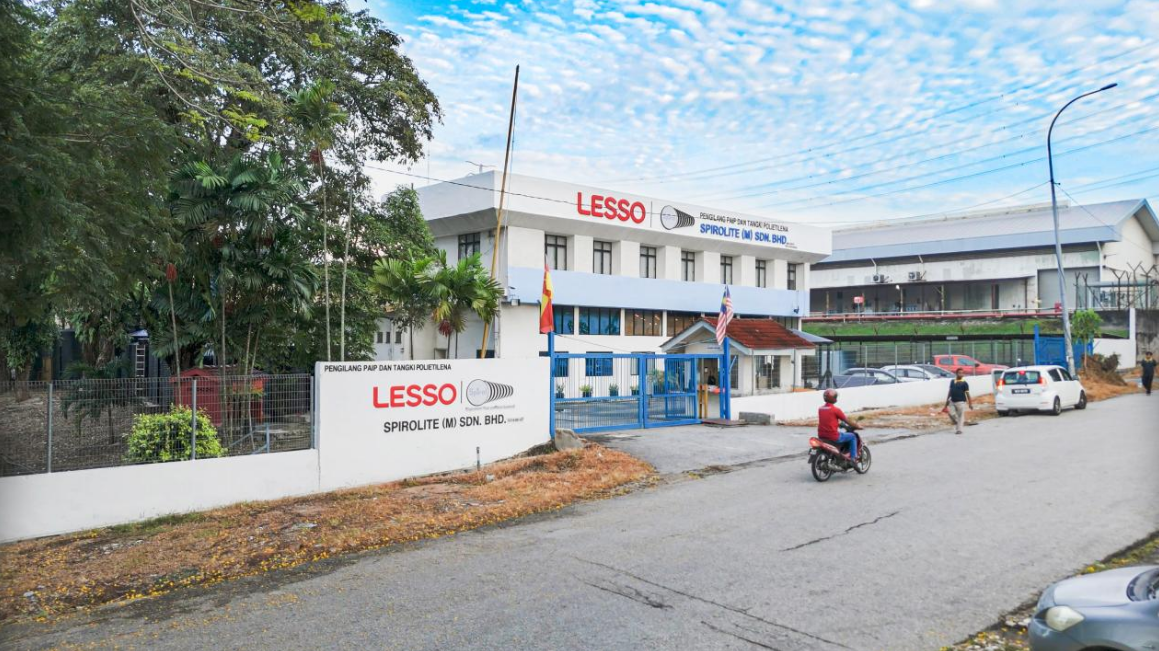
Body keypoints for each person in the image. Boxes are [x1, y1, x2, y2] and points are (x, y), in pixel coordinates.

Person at [818, 388, 859, 461]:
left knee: (841, 433)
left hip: (821, 436)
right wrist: (857, 426)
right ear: (832, 398)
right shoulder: (836, 410)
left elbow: (828, 419)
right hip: (833, 436)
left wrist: (838, 423)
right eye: (835, 397)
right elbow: (847, 421)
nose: (836, 398)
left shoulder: (820, 409)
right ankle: (853, 459)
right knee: (852, 436)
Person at [945, 369, 973, 435]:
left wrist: (970, 404)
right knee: (950, 413)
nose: (961, 374)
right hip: (952, 401)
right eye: (959, 373)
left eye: (962, 373)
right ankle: (958, 423)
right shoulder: (952, 381)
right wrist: (947, 401)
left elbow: (968, 394)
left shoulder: (965, 383)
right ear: (956, 373)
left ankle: (959, 430)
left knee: (960, 416)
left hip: (961, 402)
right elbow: (950, 391)